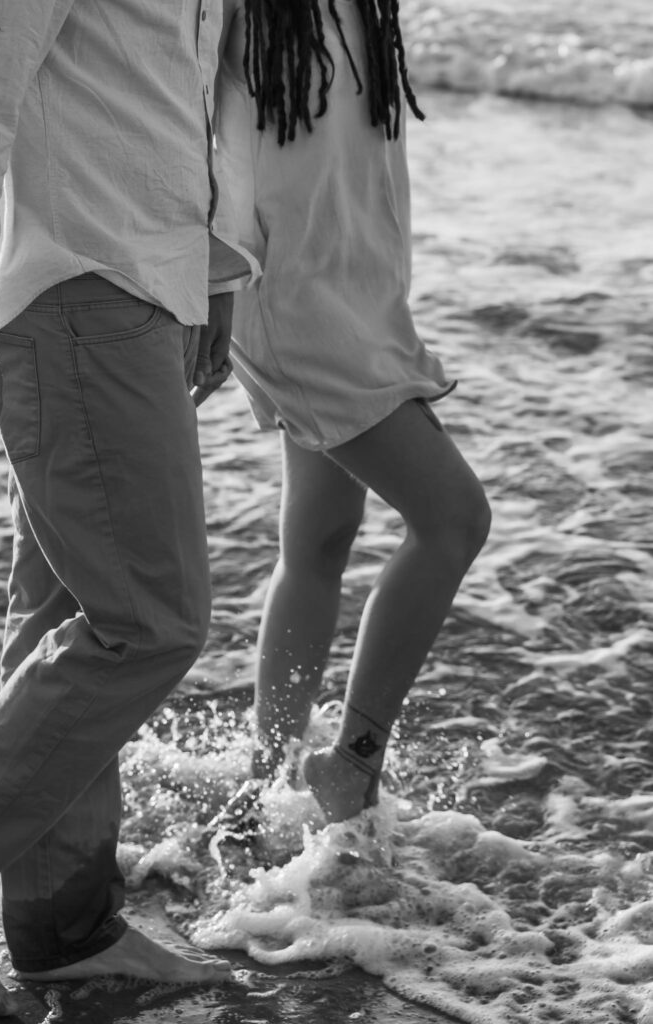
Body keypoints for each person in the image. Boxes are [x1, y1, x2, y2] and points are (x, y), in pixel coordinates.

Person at [0, 0, 258, 1016]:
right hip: (77, 291)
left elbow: (168, 94)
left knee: (65, 616)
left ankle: (61, 927)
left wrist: (210, 271)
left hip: (139, 284)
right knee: (151, 619)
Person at [210, 0, 491, 827]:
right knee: (453, 519)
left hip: (361, 290)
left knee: (320, 536)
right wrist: (210, 282)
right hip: (290, 294)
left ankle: (262, 779)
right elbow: (176, 130)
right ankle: (352, 764)